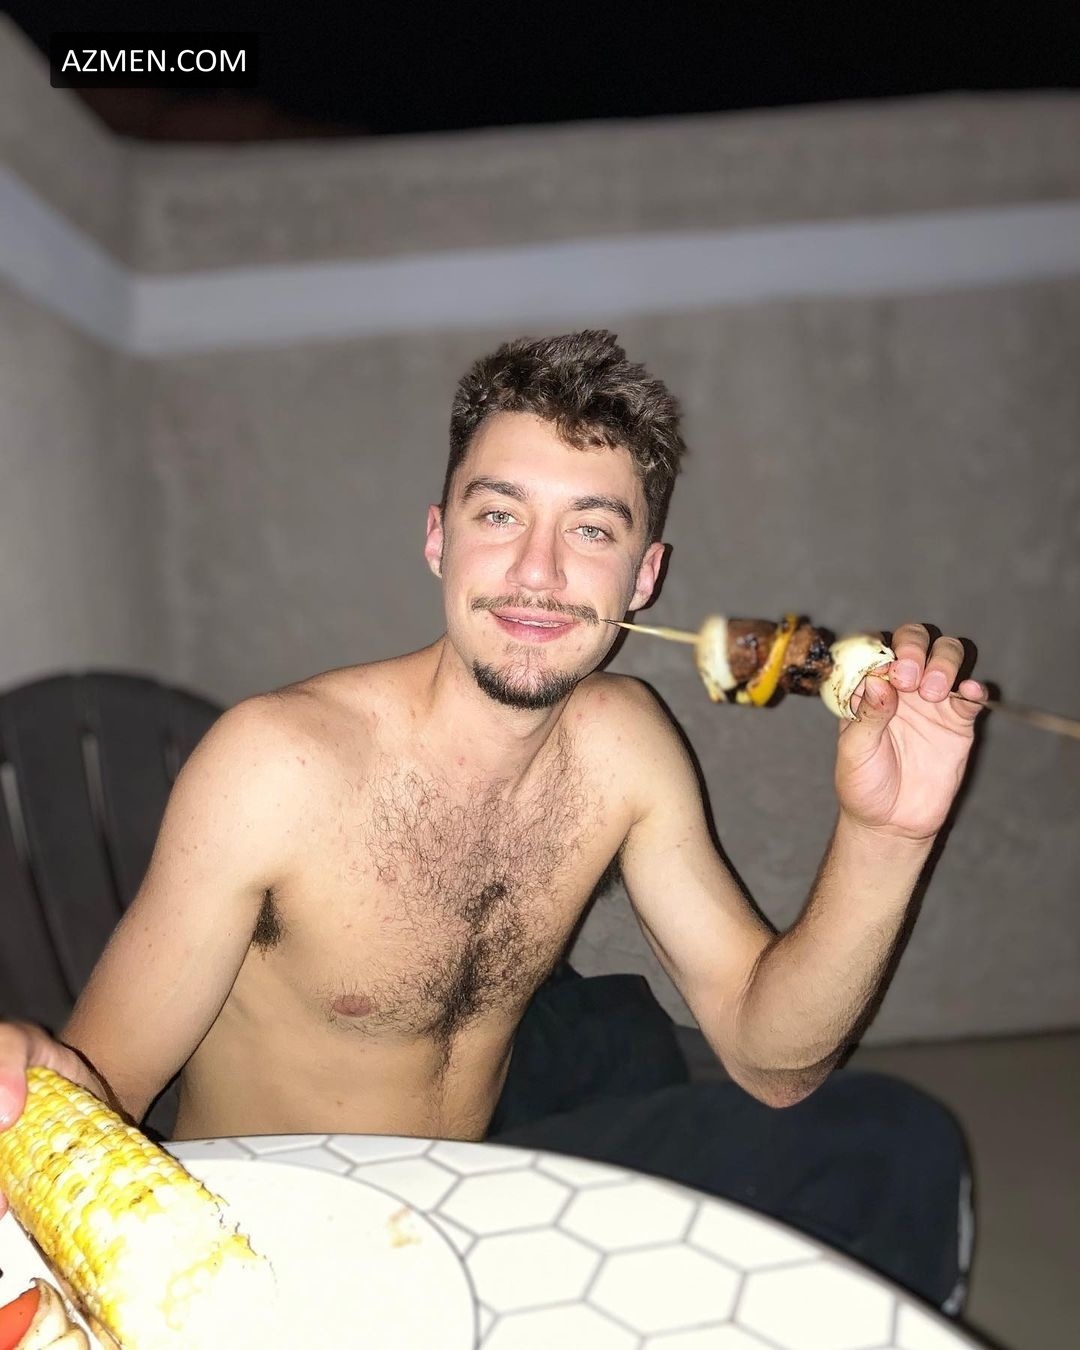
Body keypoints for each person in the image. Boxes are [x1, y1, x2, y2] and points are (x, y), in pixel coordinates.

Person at [0, 330, 983, 1307]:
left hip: (481, 1169)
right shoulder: (276, 766)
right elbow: (96, 1093)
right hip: (293, 1237)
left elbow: (775, 1066)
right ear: (439, 538)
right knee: (860, 1141)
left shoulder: (624, 743)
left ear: (644, 578)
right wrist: (27, 1076)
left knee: (685, 1059)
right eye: (500, 514)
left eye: (591, 530)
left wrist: (887, 836)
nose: (539, 572)